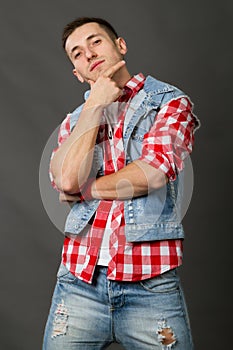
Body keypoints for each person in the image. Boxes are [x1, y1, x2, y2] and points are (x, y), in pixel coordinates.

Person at [42, 17, 200, 349]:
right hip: (78, 283)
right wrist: (95, 104)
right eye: (77, 53)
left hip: (151, 286)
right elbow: (66, 177)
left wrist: (86, 190)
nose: (88, 54)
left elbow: (153, 172)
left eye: (95, 42)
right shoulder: (75, 121)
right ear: (77, 73)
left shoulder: (168, 103)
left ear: (120, 46)